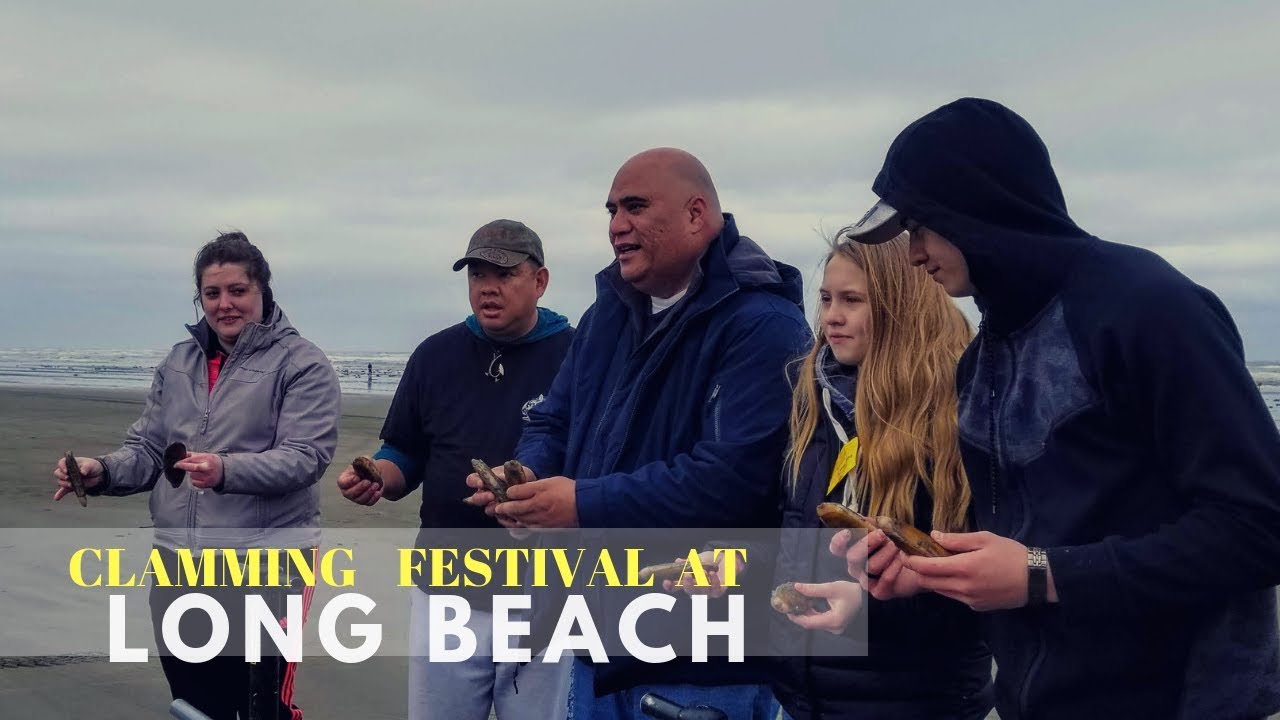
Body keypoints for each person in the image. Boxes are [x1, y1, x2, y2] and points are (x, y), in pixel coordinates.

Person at [840, 97, 1280, 719]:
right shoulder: (980, 359)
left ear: (976, 208)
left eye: (921, 226)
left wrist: (1043, 574)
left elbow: (1259, 527)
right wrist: (931, 577)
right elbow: (1027, 550)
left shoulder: (1148, 308)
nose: (912, 254)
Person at [466, 148, 812, 719]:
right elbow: (554, 418)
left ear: (696, 214)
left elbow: (734, 479)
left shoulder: (763, 324)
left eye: (635, 207)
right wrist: (527, 474)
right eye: (611, 211)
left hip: (705, 657)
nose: (616, 226)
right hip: (602, 641)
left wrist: (580, 503)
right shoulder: (608, 315)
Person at [676, 236, 993, 719]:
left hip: (916, 702)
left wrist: (868, 610)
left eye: (852, 300)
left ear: (901, 306)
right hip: (803, 699)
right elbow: (794, 537)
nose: (831, 317)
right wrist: (740, 561)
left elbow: (977, 587)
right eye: (826, 299)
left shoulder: (959, 413)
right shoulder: (813, 403)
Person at [53, 230, 341, 720]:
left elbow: (306, 456)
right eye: (212, 293)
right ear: (200, 298)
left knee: (261, 705)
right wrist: (101, 471)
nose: (225, 304)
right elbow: (149, 450)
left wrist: (225, 470)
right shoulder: (178, 361)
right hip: (178, 562)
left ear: (263, 291)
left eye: (238, 291)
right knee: (194, 702)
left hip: (267, 564)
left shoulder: (302, 363)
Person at [335, 219, 575, 720]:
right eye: (477, 274)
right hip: (447, 590)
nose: (488, 287)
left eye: (505, 274)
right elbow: (404, 451)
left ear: (540, 281)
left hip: (546, 595)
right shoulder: (435, 355)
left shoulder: (576, 357)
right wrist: (378, 476)